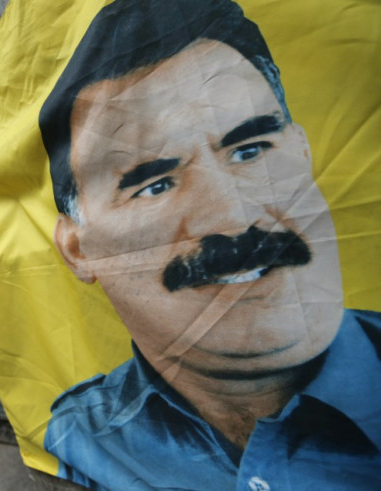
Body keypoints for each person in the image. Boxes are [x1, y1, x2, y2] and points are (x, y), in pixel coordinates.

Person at [38, 0, 381, 489]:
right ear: (77, 249)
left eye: (251, 150)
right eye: (154, 185)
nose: (234, 216)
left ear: (303, 155)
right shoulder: (77, 434)